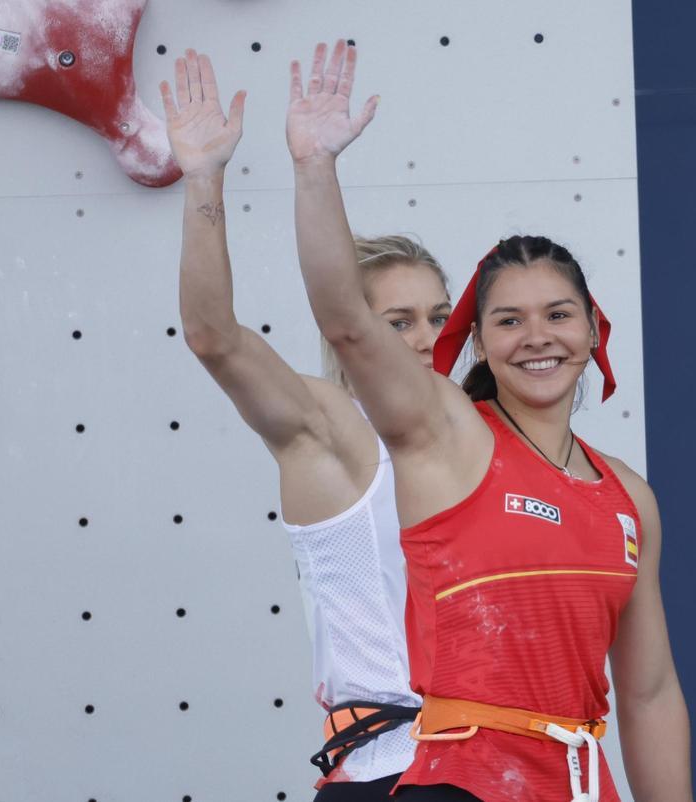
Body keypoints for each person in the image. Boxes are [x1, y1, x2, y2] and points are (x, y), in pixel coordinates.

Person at [288, 40, 692, 802]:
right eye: (509, 320)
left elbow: (649, 693)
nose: (537, 336)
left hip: (577, 783)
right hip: (463, 784)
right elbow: (345, 319)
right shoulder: (445, 433)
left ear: (593, 331)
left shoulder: (629, 498)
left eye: (559, 315)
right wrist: (316, 170)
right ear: (479, 341)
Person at [159, 50, 454, 800]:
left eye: (440, 318)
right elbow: (212, 336)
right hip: (391, 775)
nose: (424, 339)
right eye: (399, 320)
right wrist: (204, 179)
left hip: (488, 772)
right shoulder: (333, 430)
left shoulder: (471, 436)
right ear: (353, 327)